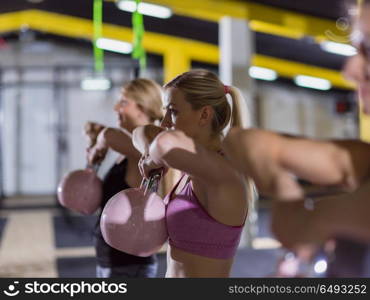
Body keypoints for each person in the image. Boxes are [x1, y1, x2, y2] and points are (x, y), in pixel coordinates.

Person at [222, 0, 370, 265]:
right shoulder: (360, 161)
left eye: (368, 48)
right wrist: (284, 190)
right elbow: (245, 142)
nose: (351, 71)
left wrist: (306, 217)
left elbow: (300, 225)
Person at [132, 69, 253, 278]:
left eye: (174, 111)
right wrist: (150, 153)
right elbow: (141, 133)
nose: (165, 122)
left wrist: (153, 159)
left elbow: (163, 144)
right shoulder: (194, 165)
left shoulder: (222, 172)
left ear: (204, 114)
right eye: (165, 112)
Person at [85, 78, 163, 278]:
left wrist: (100, 142)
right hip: (112, 260)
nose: (116, 107)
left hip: (128, 265)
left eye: (123, 102)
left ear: (142, 108)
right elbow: (91, 199)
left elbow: (110, 135)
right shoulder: (128, 151)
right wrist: (94, 145)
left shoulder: (148, 151)